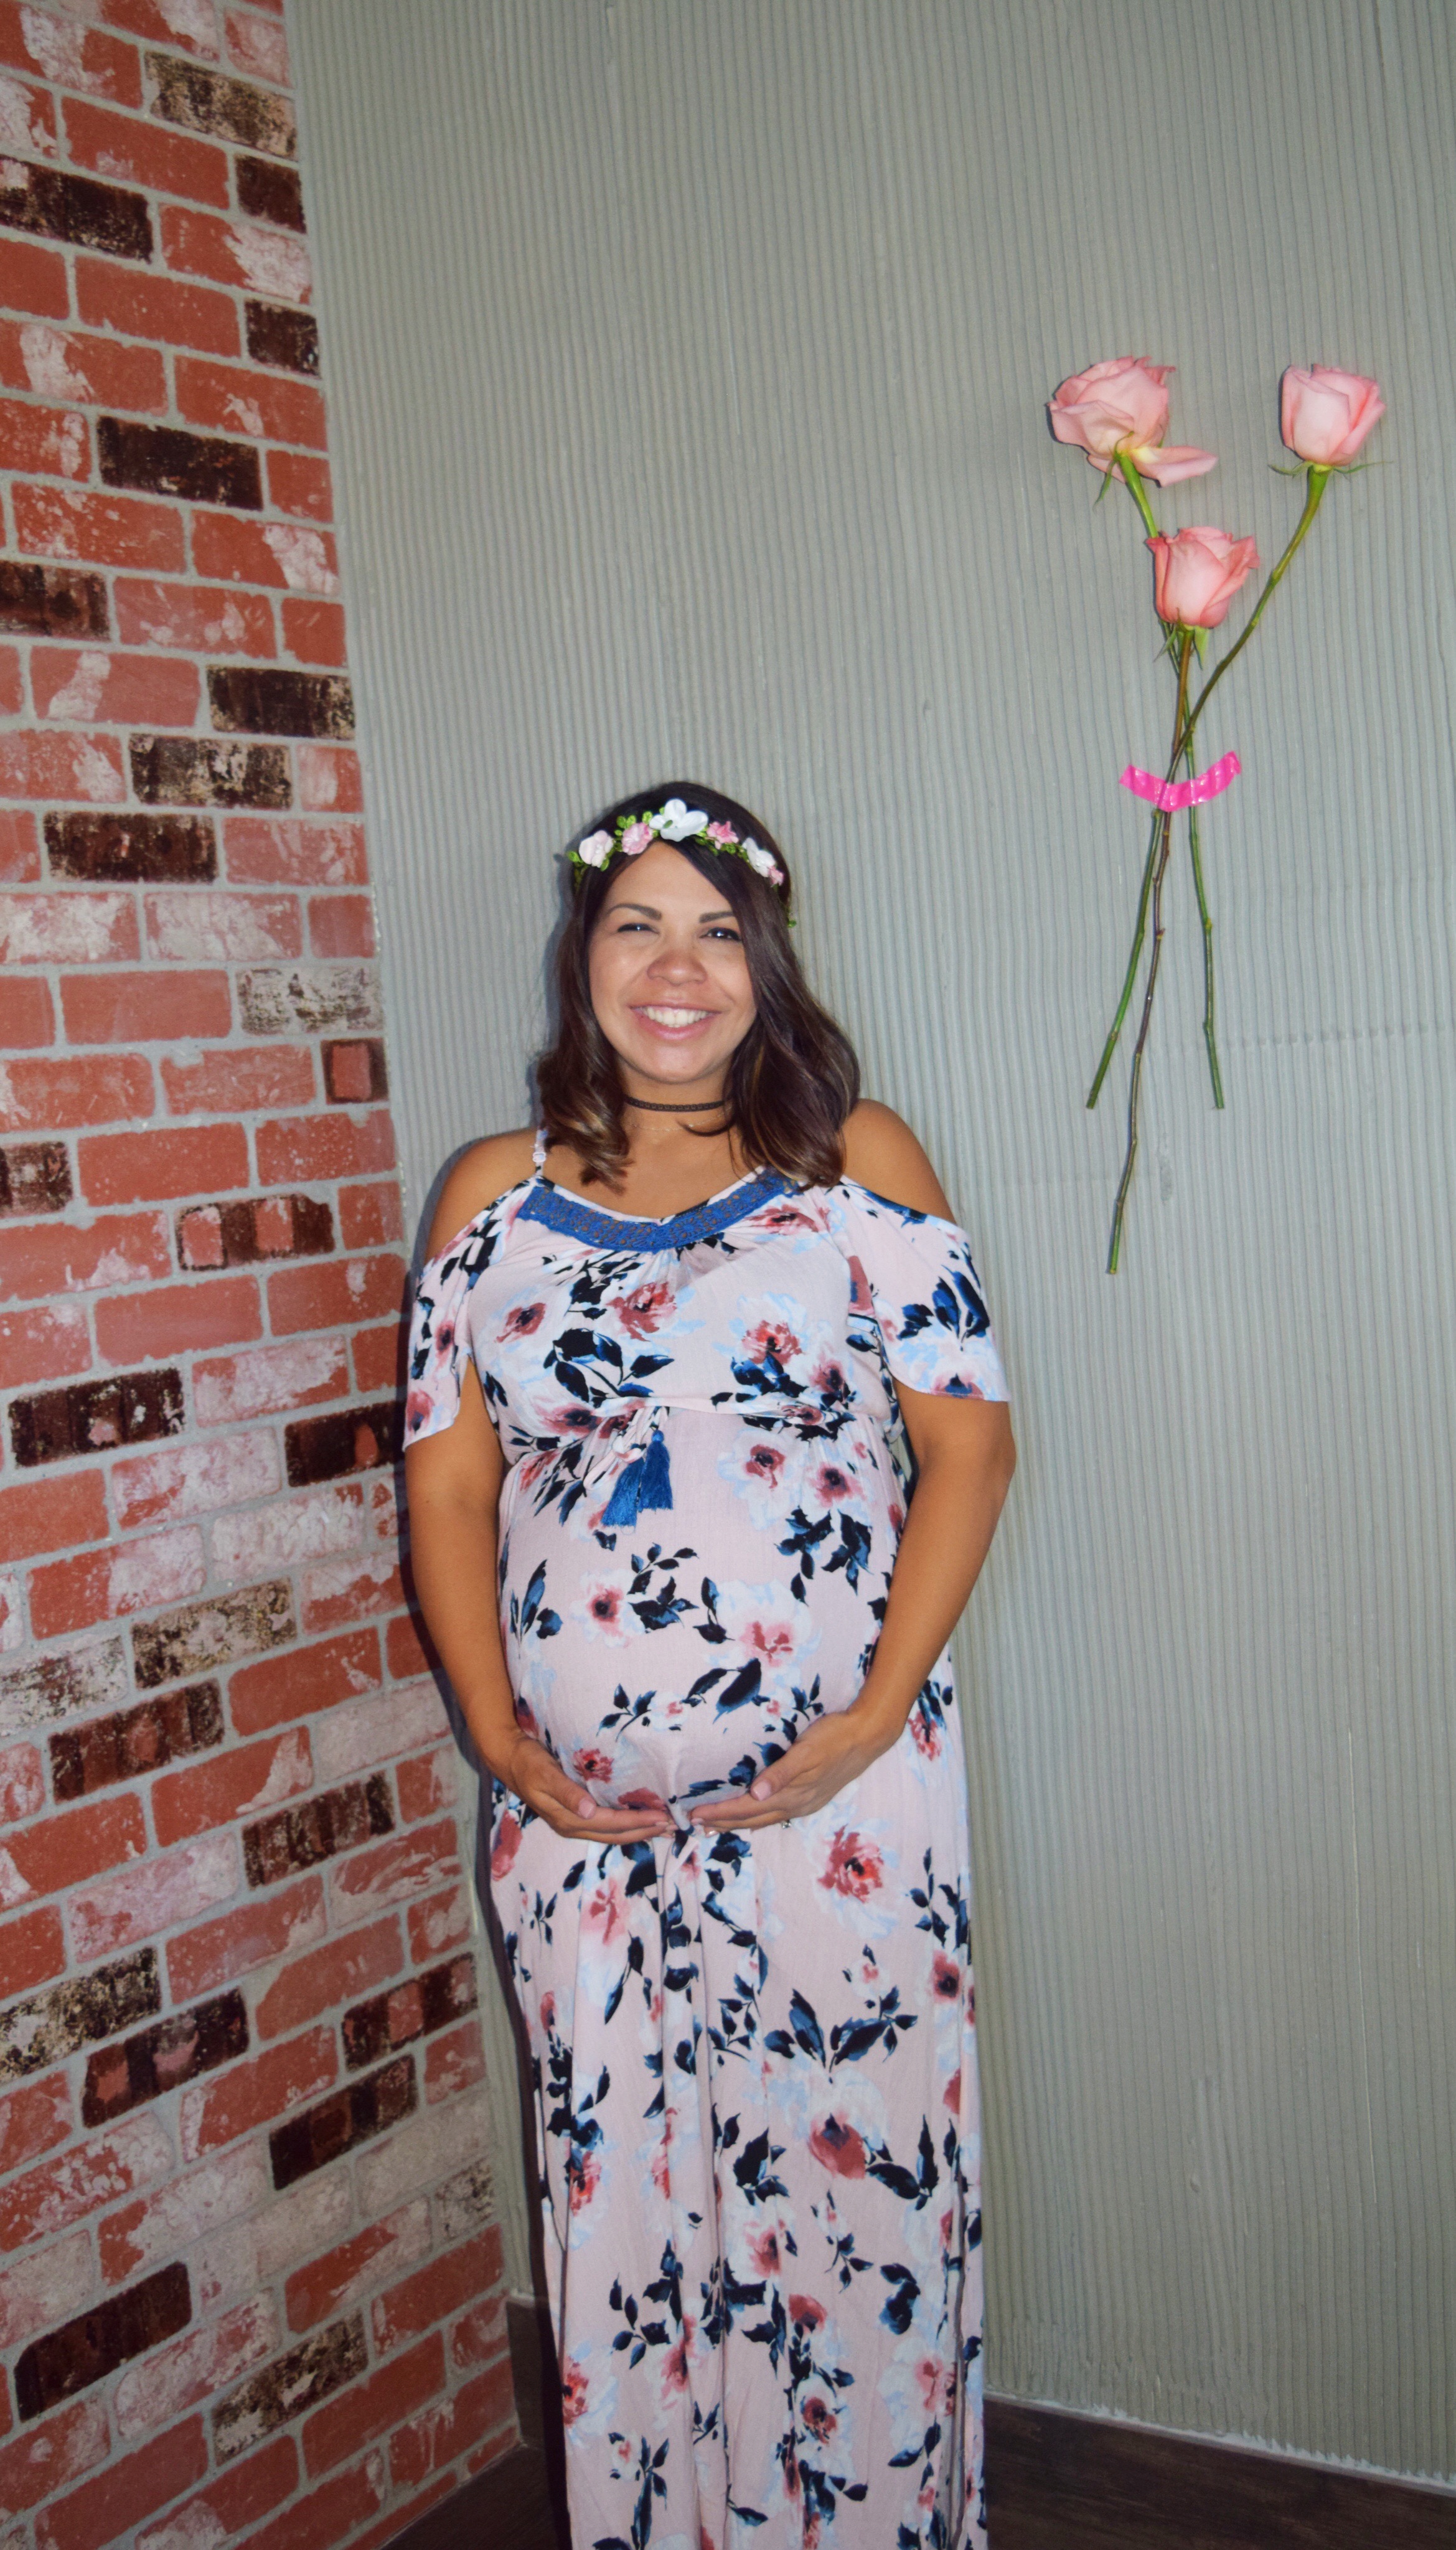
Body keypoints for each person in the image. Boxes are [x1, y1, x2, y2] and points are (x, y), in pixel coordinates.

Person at [403, 784, 1015, 2549]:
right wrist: (498, 1732)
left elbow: (969, 1449)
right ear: (580, 953)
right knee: (621, 2209)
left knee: (851, 2191)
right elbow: (445, 1481)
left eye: (718, 931)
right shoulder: (490, 1193)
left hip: (840, 1804)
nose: (677, 969)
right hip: (578, 1830)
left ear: (769, 961)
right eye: (637, 927)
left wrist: (874, 1716)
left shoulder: (856, 1161)